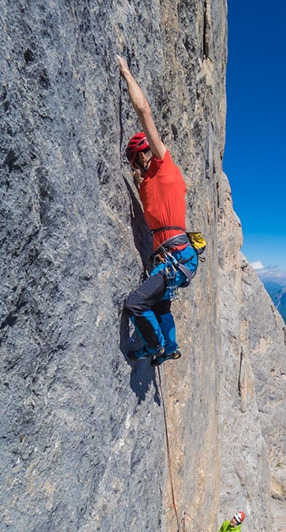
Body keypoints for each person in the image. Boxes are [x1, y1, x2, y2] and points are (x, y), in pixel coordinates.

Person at [117, 55, 199, 366]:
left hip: (175, 257)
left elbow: (144, 112)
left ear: (137, 157)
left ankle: (155, 346)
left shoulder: (165, 166)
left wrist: (126, 73)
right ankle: (170, 346)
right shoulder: (149, 183)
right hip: (174, 257)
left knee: (137, 304)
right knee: (161, 307)